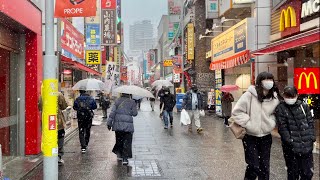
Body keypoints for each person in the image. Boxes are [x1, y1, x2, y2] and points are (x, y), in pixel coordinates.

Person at [231, 72, 280, 180]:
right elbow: (236, 112)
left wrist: (271, 123)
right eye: (265, 79)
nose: (269, 82)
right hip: (250, 137)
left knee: (265, 167)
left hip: (266, 137)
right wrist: (249, 124)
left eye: (270, 79)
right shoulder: (249, 95)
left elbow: (276, 114)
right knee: (253, 166)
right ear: (259, 81)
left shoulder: (275, 98)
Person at [275, 86, 315, 180]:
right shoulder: (281, 108)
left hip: (306, 146)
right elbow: (282, 127)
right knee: (293, 174)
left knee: (308, 173)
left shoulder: (303, 106)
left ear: (297, 95)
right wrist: (290, 141)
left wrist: (311, 137)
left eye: (292, 96)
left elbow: (310, 122)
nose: (290, 99)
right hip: (291, 149)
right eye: (287, 96)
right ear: (284, 96)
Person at [107, 93, 138, 165]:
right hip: (128, 125)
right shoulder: (132, 102)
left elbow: (112, 113)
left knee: (119, 139)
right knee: (127, 141)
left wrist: (109, 123)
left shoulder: (117, 101)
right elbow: (135, 114)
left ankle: (119, 154)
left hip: (118, 125)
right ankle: (125, 158)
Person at [38, 91, 68, 165]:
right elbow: (64, 106)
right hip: (58, 121)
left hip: (47, 121)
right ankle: (58, 156)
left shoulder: (43, 95)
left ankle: (49, 155)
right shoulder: (59, 94)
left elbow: (40, 107)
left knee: (49, 139)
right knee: (60, 138)